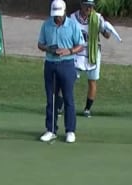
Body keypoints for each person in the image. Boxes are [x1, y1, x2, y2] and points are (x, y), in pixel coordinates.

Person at [37, 0, 86, 143]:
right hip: (50, 64)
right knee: (51, 99)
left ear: (64, 12)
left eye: (59, 15)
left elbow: (81, 45)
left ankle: (70, 130)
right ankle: (51, 130)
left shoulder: (72, 25)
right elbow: (40, 44)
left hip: (67, 64)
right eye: (55, 15)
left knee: (68, 98)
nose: (57, 18)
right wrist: (48, 49)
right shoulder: (47, 24)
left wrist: (69, 50)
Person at [69, 0, 111, 117]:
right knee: (69, 80)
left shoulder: (97, 18)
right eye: (87, 6)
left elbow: (107, 35)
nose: (89, 9)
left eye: (91, 6)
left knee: (92, 81)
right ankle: (62, 106)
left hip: (93, 53)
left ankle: (87, 109)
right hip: (77, 52)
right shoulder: (72, 18)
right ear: (81, 5)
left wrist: (105, 26)